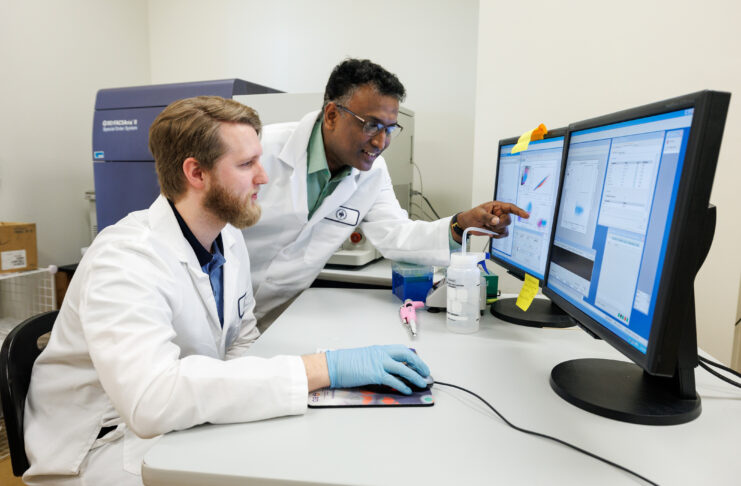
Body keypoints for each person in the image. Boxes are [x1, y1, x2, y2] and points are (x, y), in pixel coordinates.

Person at [22, 96, 430, 485]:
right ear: (196, 173)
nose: (264, 176)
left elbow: (241, 341)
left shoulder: (227, 238)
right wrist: (321, 369)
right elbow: (150, 401)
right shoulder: (125, 259)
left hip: (176, 421)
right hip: (101, 445)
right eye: (247, 163)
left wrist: (319, 387)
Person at [242, 58, 528, 328]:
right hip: (218, 312)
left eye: (390, 129)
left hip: (279, 318)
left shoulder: (373, 172)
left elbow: (396, 236)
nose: (381, 142)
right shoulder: (259, 149)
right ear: (331, 115)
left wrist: (460, 225)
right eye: (371, 125)